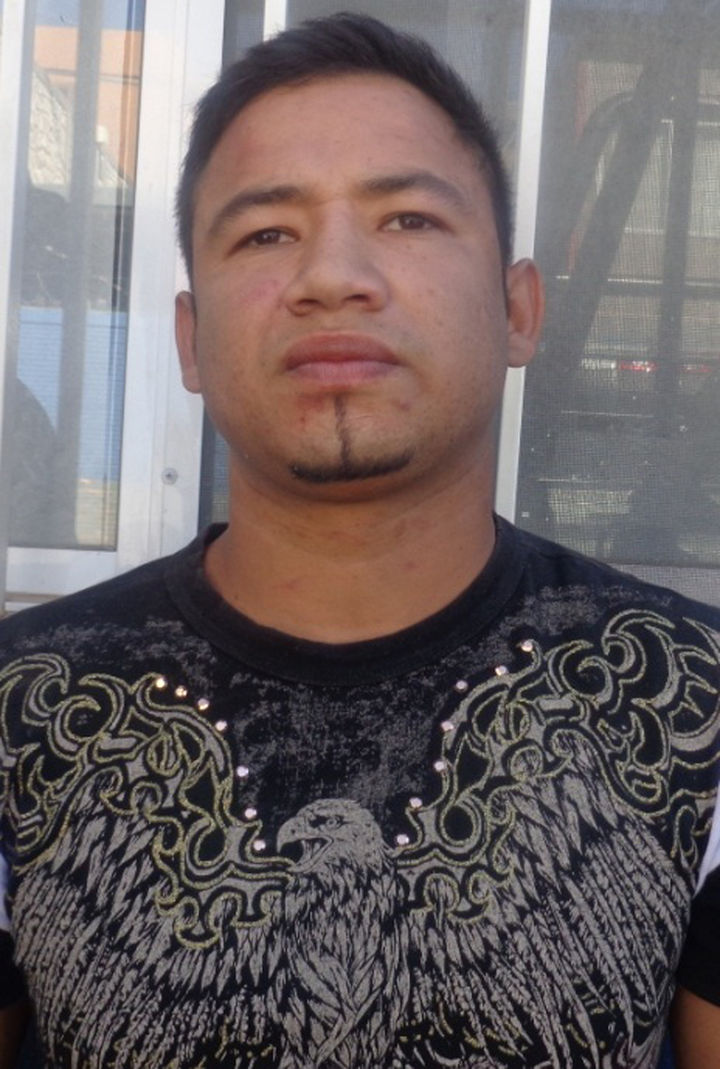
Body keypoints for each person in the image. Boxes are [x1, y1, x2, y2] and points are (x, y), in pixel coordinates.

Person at [1, 13, 718, 1068]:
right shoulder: (25, 707)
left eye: (408, 219)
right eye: (266, 233)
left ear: (520, 310)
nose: (333, 274)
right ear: (191, 340)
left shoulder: (689, 697)